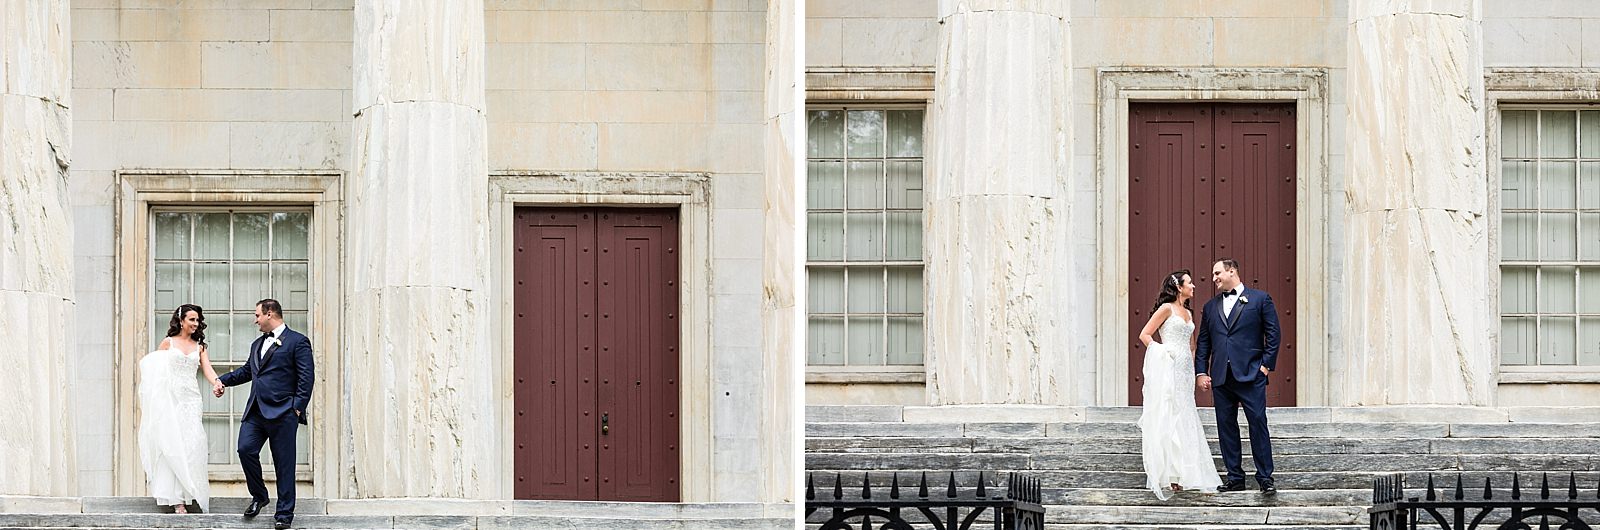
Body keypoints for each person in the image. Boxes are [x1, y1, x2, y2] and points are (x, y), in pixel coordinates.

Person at [217, 299, 314, 530]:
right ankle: (260, 495)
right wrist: (222, 381)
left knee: (284, 464)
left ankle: (284, 515)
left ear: (270, 314)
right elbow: (247, 371)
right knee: (245, 449)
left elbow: (306, 378)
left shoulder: (298, 342)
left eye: (258, 315)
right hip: (256, 411)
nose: (255, 320)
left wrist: (297, 408)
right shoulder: (256, 344)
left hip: (283, 412)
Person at [1135, 270, 1223, 499]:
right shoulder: (1166, 309)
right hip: (1169, 366)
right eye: (1189, 283)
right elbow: (1145, 334)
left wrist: (1195, 370)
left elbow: (1192, 346)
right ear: (1178, 287)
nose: (1193, 286)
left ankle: (1187, 473)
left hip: (1185, 370)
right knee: (1171, 413)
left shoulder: (1188, 312)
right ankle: (1172, 474)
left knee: (1186, 413)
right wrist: (1163, 353)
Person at [1195, 258, 1279, 495]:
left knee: (1258, 424)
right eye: (1213, 274)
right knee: (1226, 428)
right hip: (1221, 377)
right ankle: (1235, 477)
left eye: (1217, 273)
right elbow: (1204, 343)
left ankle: (1265, 477)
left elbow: (1273, 334)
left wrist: (1265, 367)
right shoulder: (1210, 307)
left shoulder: (1260, 299)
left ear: (1232, 271)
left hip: (1251, 375)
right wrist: (1201, 371)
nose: (1214, 278)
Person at [137, 304, 222, 513]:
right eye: (192, 319)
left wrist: (217, 383)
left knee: (192, 445)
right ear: (181, 320)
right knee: (172, 444)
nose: (195, 323)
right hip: (171, 400)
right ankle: (177, 500)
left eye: (197, 320)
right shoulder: (168, 343)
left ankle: (191, 491)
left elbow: (208, 369)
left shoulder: (200, 346)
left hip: (191, 400)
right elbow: (154, 371)